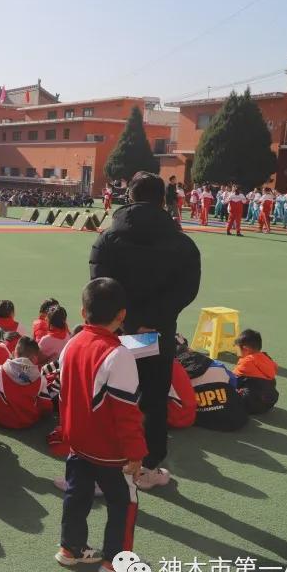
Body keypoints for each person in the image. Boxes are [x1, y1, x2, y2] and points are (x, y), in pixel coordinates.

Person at [89, 172, 201, 490]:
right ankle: (148, 468)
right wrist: (152, 320)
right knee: (152, 401)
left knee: (111, 397)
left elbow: (99, 286)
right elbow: (187, 290)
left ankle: (105, 468)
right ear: (163, 200)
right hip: (158, 333)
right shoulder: (182, 242)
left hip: (117, 332)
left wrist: (130, 320)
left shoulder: (109, 239)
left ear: (130, 196)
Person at [54, 278, 145, 572]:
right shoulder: (119, 355)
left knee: (76, 496)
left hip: (78, 442)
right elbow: (126, 413)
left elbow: (63, 393)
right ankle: (114, 562)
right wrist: (136, 453)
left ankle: (70, 548)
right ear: (122, 315)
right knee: (124, 503)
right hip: (110, 451)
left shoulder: (71, 345)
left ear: (83, 312)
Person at [0, 336, 46, 429]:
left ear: (14, 353)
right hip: (29, 421)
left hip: (2, 419)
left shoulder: (0, 370)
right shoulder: (41, 378)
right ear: (35, 358)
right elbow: (46, 406)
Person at [233, 329, 279, 415]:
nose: (236, 351)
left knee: (228, 388)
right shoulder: (266, 357)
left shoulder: (246, 362)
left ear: (245, 349)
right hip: (270, 402)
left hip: (251, 404)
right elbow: (275, 368)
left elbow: (232, 378)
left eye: (237, 348)